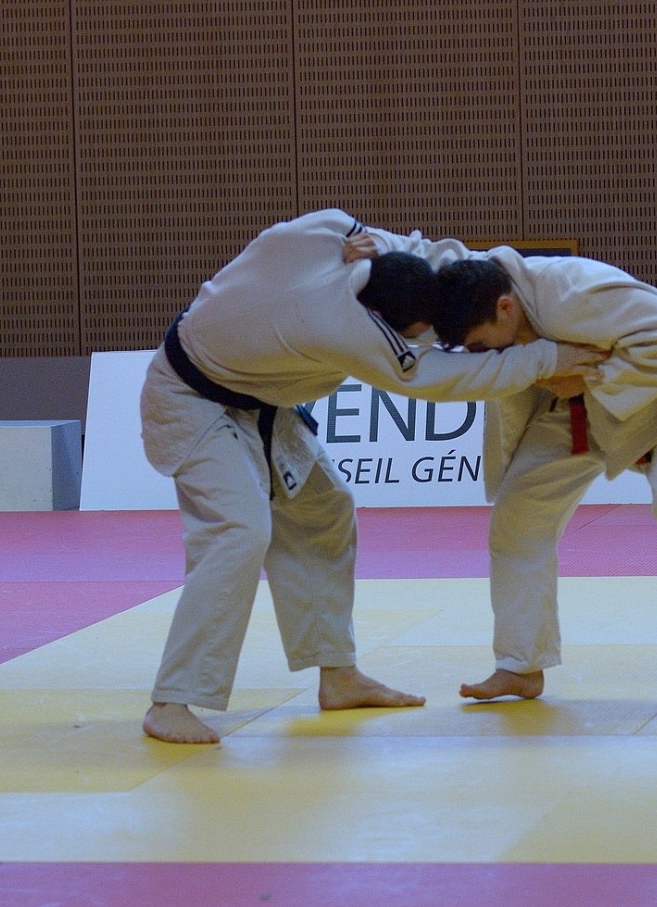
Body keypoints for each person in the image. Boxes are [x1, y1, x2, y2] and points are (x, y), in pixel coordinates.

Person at [139, 209, 606, 744]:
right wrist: (546, 358)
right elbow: (435, 379)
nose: (421, 340)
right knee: (239, 531)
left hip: (258, 395)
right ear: (377, 318)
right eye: (410, 335)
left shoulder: (333, 229)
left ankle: (338, 676)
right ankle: (171, 700)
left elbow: (428, 254)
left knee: (324, 508)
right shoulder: (339, 326)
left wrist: (505, 279)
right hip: (189, 397)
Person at [345, 236, 657, 716]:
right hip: (571, 400)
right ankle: (521, 664)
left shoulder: (572, 291)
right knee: (519, 516)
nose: (477, 355)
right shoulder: (467, 281)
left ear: (506, 308)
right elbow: (425, 249)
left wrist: (590, 378)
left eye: (479, 346)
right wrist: (365, 245)